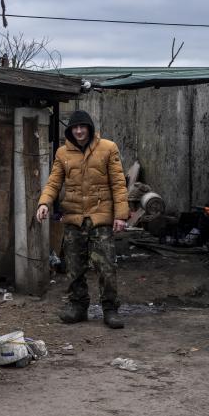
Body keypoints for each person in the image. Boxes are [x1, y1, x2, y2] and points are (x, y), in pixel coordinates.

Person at [36, 110, 129, 329]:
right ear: (70, 131)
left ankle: (110, 309)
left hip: (100, 219)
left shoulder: (108, 148)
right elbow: (53, 182)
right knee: (74, 268)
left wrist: (121, 215)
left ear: (90, 128)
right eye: (74, 128)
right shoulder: (62, 153)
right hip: (74, 219)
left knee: (106, 266)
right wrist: (44, 203)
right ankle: (77, 306)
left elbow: (118, 184)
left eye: (82, 127)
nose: (79, 131)